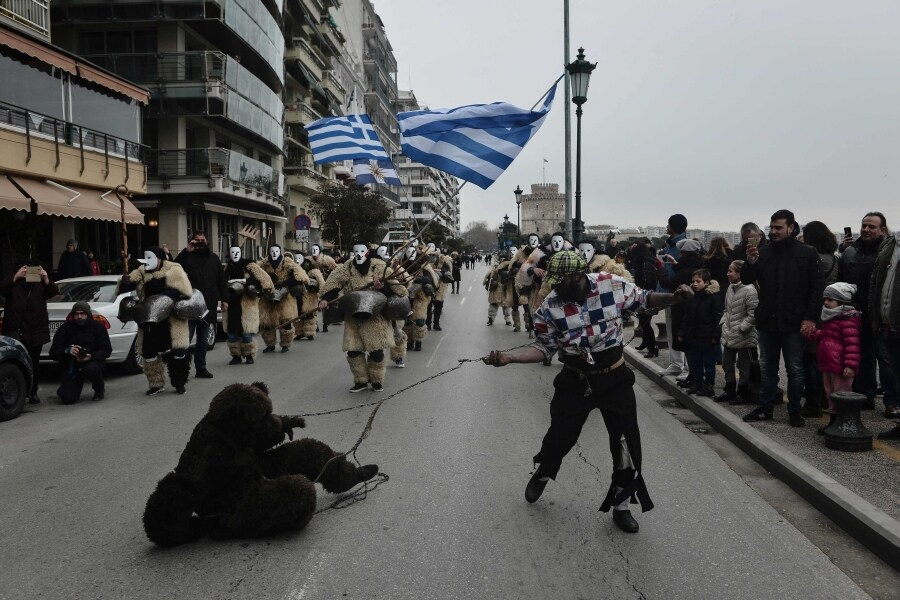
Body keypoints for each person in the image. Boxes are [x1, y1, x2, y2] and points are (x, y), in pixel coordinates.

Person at [483, 251, 694, 533]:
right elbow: (543, 347)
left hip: (614, 377)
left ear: (578, 276)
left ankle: (621, 506)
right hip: (575, 379)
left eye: (561, 282)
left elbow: (645, 299)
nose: (555, 287)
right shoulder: (550, 305)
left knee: (624, 444)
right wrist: (510, 359)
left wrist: (674, 297)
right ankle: (545, 471)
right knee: (559, 437)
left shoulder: (611, 284)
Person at [741, 210, 824, 427]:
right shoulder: (764, 253)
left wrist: (810, 318)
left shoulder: (807, 253)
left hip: (794, 322)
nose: (774, 231)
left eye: (779, 227)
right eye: (772, 227)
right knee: (767, 367)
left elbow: (817, 289)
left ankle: (794, 410)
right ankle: (766, 407)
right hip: (768, 320)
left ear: (791, 227)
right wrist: (750, 261)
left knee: (795, 369)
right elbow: (748, 279)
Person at [318, 241, 408, 392]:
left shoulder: (379, 266)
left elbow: (396, 289)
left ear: (367, 252)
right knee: (353, 351)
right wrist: (325, 298)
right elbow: (333, 283)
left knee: (376, 350)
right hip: (353, 316)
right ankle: (361, 381)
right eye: (356, 251)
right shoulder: (346, 267)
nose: (358, 254)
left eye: (362, 251)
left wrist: (383, 287)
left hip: (376, 316)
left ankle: (376, 380)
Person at [838, 212, 897, 414]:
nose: (866, 230)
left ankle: (892, 402)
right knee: (861, 356)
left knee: (886, 359)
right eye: (864, 225)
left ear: (882, 230)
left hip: (880, 313)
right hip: (855, 312)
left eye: (871, 227)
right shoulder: (851, 251)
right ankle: (865, 395)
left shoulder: (888, 252)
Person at [121, 247, 193, 395]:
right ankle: (156, 383)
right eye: (145, 257)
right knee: (149, 353)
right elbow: (127, 286)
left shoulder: (173, 269)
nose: (147, 261)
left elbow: (183, 290)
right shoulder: (141, 271)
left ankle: (179, 383)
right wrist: (125, 281)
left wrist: (162, 298)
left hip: (170, 320)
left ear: (160, 259)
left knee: (178, 352)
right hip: (150, 321)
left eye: (150, 257)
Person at [803, 282, 861, 434]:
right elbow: (826, 336)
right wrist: (813, 334)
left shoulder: (848, 321)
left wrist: (850, 366)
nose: (826, 303)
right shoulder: (832, 319)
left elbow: (852, 346)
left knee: (842, 395)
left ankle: (843, 422)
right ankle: (834, 422)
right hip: (829, 364)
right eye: (826, 299)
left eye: (830, 300)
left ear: (841, 302)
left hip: (841, 367)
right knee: (830, 394)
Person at [0, 261, 58, 403]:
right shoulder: (12, 284)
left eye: (31, 269)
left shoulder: (39, 284)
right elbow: (1, 290)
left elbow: (53, 291)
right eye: (24, 270)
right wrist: (15, 276)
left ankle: (33, 392)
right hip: (16, 331)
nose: (28, 273)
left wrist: (45, 278)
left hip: (35, 330)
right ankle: (20, 391)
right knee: (16, 361)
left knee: (34, 363)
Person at [800, 220, 840, 417]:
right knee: (824, 359)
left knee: (811, 359)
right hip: (831, 314)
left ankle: (813, 402)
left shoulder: (814, 259)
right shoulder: (833, 259)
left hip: (815, 313)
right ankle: (825, 397)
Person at [175, 231, 227, 378]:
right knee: (185, 340)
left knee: (203, 340)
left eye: (202, 240)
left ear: (207, 241)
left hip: (207, 306)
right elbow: (174, 269)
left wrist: (225, 300)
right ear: (192, 242)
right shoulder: (187, 256)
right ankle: (181, 371)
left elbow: (221, 280)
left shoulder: (214, 258)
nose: (199, 243)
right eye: (196, 240)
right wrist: (186, 251)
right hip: (190, 306)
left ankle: (201, 368)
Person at [657, 238, 705, 387]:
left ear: (684, 253)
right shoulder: (698, 266)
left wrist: (661, 268)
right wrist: (675, 264)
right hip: (693, 309)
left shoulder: (686, 271)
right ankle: (690, 372)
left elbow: (669, 283)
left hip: (684, 309)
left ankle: (691, 373)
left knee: (686, 340)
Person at [48, 301, 111, 403]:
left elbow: (107, 350)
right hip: (72, 365)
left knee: (92, 369)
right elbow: (53, 352)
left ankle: (99, 389)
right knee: (67, 399)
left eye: (82, 313)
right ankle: (67, 386)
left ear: (88, 314)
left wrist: (91, 356)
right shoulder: (65, 328)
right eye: (76, 314)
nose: (79, 316)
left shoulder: (98, 327)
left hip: (92, 361)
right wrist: (67, 350)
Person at [869, 231, 900, 439]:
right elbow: (875, 281)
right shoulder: (890, 243)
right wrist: (874, 315)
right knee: (896, 374)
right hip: (887, 323)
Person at [223, 245, 273, 364]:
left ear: (241, 253)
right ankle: (236, 355)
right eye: (232, 252)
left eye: (237, 252)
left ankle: (249, 355)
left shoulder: (250, 266)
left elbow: (263, 279)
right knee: (232, 332)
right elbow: (221, 281)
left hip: (247, 301)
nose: (235, 254)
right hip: (232, 302)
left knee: (246, 332)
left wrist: (245, 281)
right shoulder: (227, 268)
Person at [717, 260, 758, 403]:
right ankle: (729, 389)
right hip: (729, 332)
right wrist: (723, 322)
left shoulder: (750, 290)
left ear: (740, 274)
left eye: (731, 271)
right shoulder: (730, 288)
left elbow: (753, 314)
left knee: (743, 365)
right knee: (727, 363)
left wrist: (741, 328)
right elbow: (727, 309)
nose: (727, 274)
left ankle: (742, 392)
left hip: (744, 334)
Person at [678, 269, 723, 397]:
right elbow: (686, 317)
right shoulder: (691, 297)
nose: (695, 284)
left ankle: (708, 386)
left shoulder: (713, 298)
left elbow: (717, 318)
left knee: (709, 363)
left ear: (706, 282)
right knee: (695, 363)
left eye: (698, 281)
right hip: (693, 335)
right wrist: (682, 332)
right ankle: (697, 383)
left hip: (707, 336)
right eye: (693, 282)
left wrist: (715, 335)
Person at [256, 244, 309, 353]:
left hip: (285, 296)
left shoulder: (287, 263)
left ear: (280, 252)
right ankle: (270, 344)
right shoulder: (264, 264)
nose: (274, 253)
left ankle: (285, 344)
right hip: (268, 296)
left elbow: (300, 276)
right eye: (272, 251)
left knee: (286, 320)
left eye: (276, 251)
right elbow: (254, 274)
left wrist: (285, 282)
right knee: (266, 322)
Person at [658, 214, 689, 377]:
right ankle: (677, 363)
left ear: (674, 227)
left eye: (668, 224)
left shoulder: (679, 246)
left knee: (680, 330)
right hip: (671, 290)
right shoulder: (671, 244)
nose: (666, 227)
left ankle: (684, 366)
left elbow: (676, 270)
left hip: (676, 291)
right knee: (672, 330)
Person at [630, 242, 660, 357]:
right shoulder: (648, 263)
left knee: (646, 323)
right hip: (647, 296)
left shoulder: (644, 265)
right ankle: (646, 343)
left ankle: (653, 348)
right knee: (644, 322)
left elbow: (645, 281)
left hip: (645, 297)